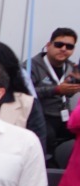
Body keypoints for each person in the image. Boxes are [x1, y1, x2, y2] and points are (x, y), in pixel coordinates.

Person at [30, 27, 80, 155]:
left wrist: (75, 85)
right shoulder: (31, 66)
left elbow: (68, 93)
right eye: (59, 45)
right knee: (48, 135)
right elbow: (26, 93)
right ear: (48, 45)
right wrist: (56, 89)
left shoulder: (71, 67)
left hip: (64, 116)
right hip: (41, 116)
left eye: (69, 46)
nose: (63, 49)